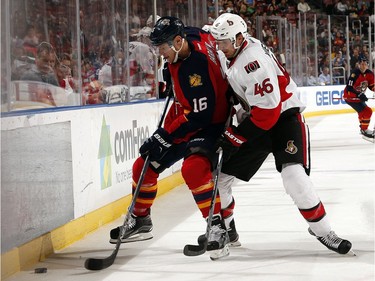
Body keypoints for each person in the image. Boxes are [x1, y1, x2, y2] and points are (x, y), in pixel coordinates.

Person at [209, 13, 352, 255]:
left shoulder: (252, 63)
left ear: (240, 38)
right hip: (257, 117)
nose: (219, 47)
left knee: (294, 176)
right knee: (220, 178)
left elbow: (268, 114)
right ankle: (228, 229)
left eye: (223, 42)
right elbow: (208, 34)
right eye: (218, 41)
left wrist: (234, 136)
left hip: (283, 117)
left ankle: (323, 230)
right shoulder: (235, 45)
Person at [109, 16, 232, 256]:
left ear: (177, 42)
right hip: (188, 116)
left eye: (162, 48)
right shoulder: (191, 36)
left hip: (209, 124)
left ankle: (217, 227)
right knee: (143, 165)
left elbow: (199, 117)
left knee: (194, 169)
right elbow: (201, 31)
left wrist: (164, 135)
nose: (160, 53)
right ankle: (141, 220)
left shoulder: (195, 69)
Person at [343, 55, 375, 142]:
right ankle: (364, 130)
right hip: (350, 97)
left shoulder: (370, 74)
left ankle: (363, 128)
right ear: (358, 64)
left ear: (367, 64)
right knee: (367, 111)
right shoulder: (354, 74)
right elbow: (349, 87)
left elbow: (372, 86)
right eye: (361, 64)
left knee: (364, 112)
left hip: (358, 97)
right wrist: (359, 94)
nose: (363, 66)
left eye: (365, 64)